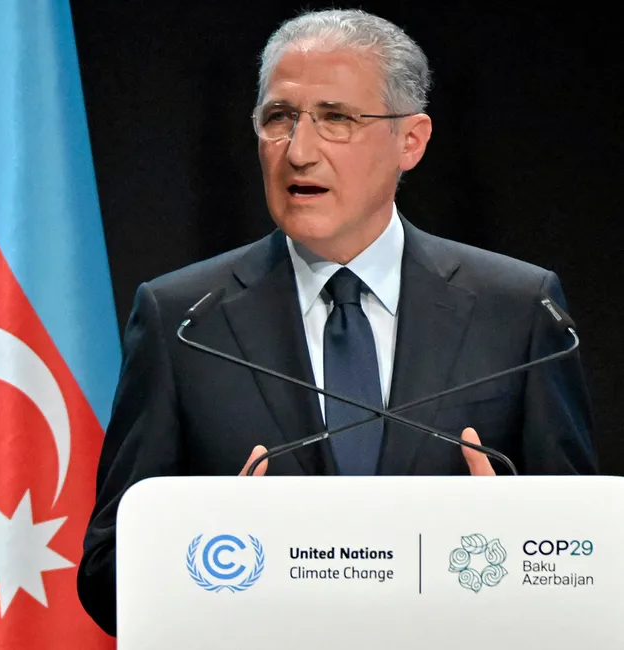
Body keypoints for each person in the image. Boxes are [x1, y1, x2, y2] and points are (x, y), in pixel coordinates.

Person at [76, 8, 597, 636]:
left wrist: (521, 546)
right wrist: (206, 545)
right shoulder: (183, 319)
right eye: (279, 119)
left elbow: (586, 570)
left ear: (412, 141)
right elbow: (106, 578)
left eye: (336, 119)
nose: (298, 151)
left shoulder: (519, 309)